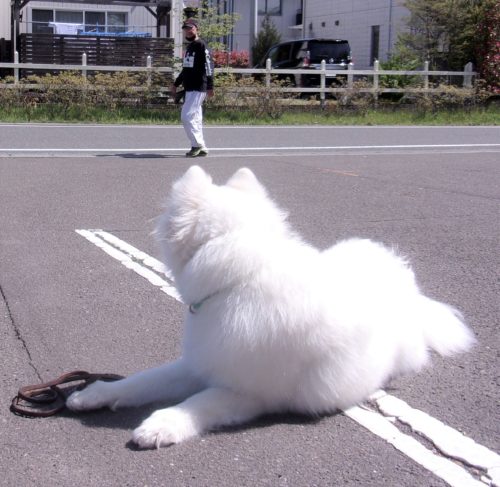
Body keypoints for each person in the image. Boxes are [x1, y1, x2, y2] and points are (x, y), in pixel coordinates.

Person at [172, 19, 214, 158]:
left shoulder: (202, 45)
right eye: (186, 29)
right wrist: (176, 84)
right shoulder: (189, 48)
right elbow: (186, 69)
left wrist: (210, 86)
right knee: (195, 119)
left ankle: (197, 145)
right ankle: (201, 146)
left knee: (186, 116)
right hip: (189, 88)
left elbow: (209, 66)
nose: (188, 31)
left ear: (196, 29)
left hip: (198, 87)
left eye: (190, 28)